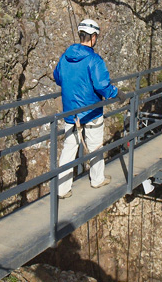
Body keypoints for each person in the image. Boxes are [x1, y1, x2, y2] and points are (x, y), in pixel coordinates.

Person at [54, 19, 126, 199]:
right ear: (93, 37)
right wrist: (116, 92)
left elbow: (58, 77)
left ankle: (61, 189)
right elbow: (102, 85)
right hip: (92, 110)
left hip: (71, 112)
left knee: (69, 149)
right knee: (94, 146)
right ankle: (97, 179)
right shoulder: (94, 59)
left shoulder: (65, 56)